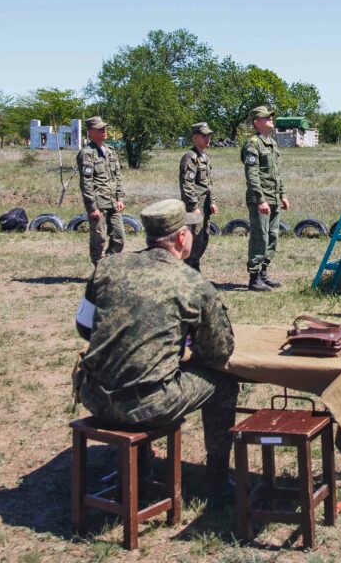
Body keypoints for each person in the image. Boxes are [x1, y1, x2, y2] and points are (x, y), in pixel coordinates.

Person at [75, 198, 238, 496]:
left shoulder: (108, 266)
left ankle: (139, 466)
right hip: (147, 406)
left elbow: (84, 328)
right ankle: (217, 481)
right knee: (224, 384)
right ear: (181, 238)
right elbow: (219, 353)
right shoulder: (191, 282)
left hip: (94, 396)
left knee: (140, 369)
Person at [241, 105, 289, 292]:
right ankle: (254, 278)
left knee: (272, 236)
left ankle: (263, 273)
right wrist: (260, 200)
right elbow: (252, 175)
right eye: (266, 117)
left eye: (271, 117)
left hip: (274, 197)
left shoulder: (272, 143)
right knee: (259, 237)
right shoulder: (253, 144)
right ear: (257, 122)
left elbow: (276, 173)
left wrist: (283, 194)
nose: (271, 119)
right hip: (260, 199)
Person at [77, 116, 125, 264]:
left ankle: (108, 264)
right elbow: (86, 182)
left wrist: (120, 198)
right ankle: (99, 267)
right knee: (99, 239)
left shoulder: (110, 150)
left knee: (119, 237)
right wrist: (92, 207)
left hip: (113, 202)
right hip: (98, 203)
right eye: (99, 129)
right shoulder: (87, 153)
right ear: (90, 132)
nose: (104, 131)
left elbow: (117, 176)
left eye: (104, 128)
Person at [179, 122, 218, 272]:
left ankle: (194, 269)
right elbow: (186, 185)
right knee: (193, 240)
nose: (207, 138)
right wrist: (193, 207)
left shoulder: (205, 157)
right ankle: (188, 272)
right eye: (203, 135)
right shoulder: (191, 157)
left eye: (208, 135)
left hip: (205, 205)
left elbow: (208, 183)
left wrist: (212, 202)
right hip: (195, 207)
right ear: (195, 137)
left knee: (203, 238)